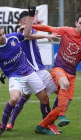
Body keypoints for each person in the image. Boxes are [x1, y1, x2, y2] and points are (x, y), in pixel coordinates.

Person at [0, 6, 55, 136]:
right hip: (15, 76)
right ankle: (2, 125)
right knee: (14, 99)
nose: (2, 36)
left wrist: (31, 15)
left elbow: (26, 35)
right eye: (0, 35)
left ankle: (45, 126)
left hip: (30, 73)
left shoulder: (12, 38)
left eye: (2, 33)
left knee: (44, 98)